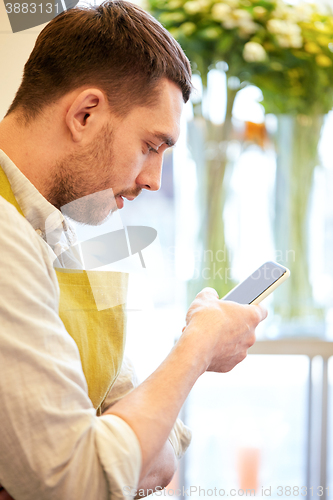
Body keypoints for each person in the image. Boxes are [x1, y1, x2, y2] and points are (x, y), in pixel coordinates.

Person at [0, 1, 268, 499]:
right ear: (84, 114)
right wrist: (198, 347)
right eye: (151, 146)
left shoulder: (55, 234)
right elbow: (82, 481)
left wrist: (122, 439)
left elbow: (152, 453)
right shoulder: (5, 241)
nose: (152, 180)